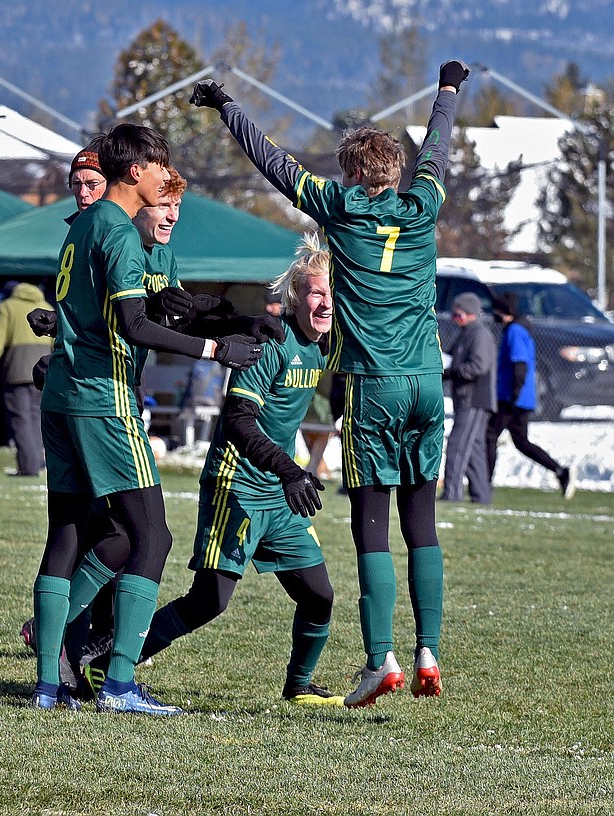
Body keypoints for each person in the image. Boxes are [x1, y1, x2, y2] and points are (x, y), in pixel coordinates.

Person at [191, 59, 471, 707]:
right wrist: (448, 90)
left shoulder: (339, 206)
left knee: (372, 524)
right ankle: (429, 647)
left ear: (351, 173)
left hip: (374, 383)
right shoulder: (424, 200)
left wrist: (228, 105)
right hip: (428, 380)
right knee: (421, 519)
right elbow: (437, 144)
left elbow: (274, 162)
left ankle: (382, 660)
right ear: (396, 172)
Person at [31, 123, 264, 715]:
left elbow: (116, 310)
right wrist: (217, 350)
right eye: (162, 167)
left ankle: (48, 681)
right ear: (136, 171)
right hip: (103, 398)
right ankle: (119, 683)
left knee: (79, 536)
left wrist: (224, 319)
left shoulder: (84, 223)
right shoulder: (114, 227)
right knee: (152, 536)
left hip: (63, 394)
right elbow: (131, 326)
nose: (168, 178)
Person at [82, 233, 341, 706]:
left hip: (280, 493)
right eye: (317, 293)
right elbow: (239, 424)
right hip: (236, 483)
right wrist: (289, 469)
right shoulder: (270, 342)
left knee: (319, 594)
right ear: (295, 297)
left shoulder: (324, 346)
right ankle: (107, 668)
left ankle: (299, 685)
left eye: (331, 293)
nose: (326, 303)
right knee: (209, 601)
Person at [486, 293, 575, 498]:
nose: (494, 315)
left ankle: (484, 484)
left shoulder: (515, 331)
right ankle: (560, 471)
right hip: (516, 397)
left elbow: (520, 363)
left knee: (489, 436)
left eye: (497, 311)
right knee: (520, 442)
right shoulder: (518, 329)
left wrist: (514, 393)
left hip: (512, 398)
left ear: (505, 311)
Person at [0, 281, 53, 476]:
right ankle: (38, 462)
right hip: (45, 370)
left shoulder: (6, 307)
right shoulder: (47, 307)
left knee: (20, 419)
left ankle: (28, 467)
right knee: (37, 418)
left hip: (17, 371)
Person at [441, 292, 497, 504]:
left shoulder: (479, 334)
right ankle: (481, 497)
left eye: (457, 313)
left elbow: (478, 366)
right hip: (466, 399)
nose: (454, 317)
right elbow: (451, 359)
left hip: (475, 399)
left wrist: (454, 370)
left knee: (457, 445)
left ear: (467, 312)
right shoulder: (466, 333)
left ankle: (452, 493)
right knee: (473, 450)